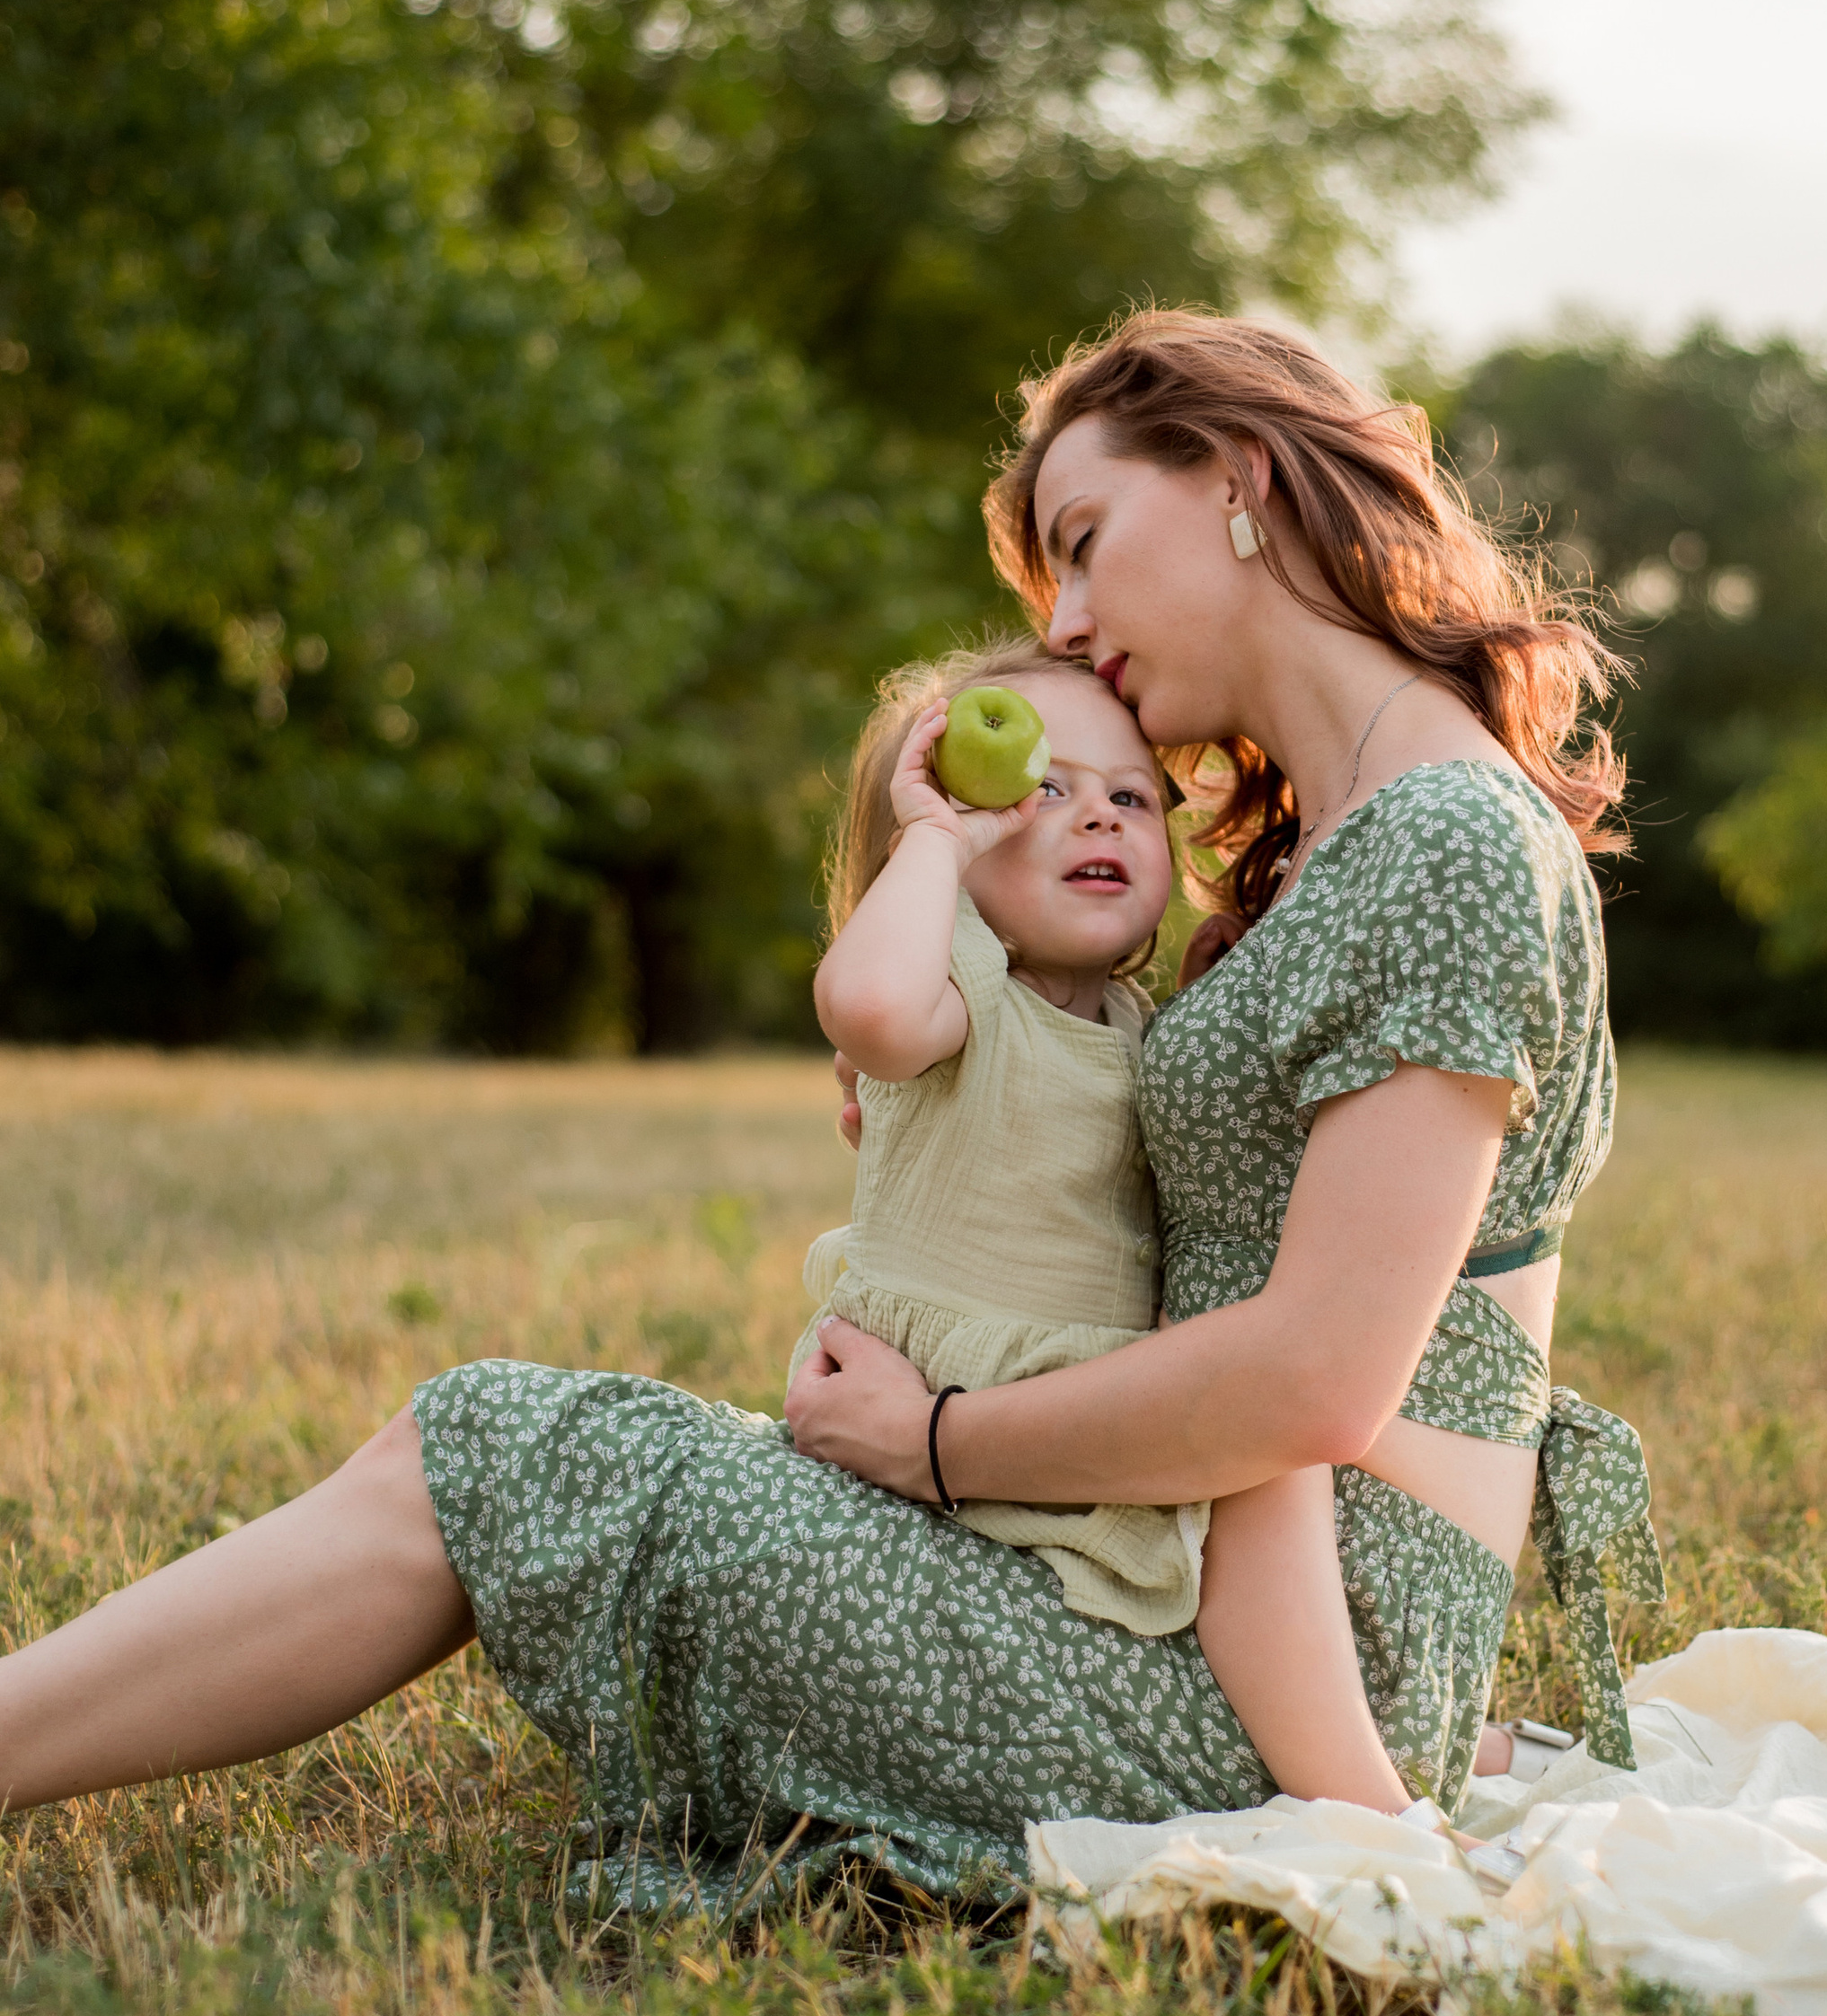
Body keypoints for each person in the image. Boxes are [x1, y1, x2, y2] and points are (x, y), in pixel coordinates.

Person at [0, 309, 1662, 1884]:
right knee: (542, 1444)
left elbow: (1312, 1383)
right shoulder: (1351, 838)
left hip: (1269, 1692)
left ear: (1238, 478)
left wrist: (935, 1445)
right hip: (1153, 1574)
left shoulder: (1443, 837)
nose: (1068, 624)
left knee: (503, 1446)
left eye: (1083, 536)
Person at [805, 627, 1414, 1809]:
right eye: (1040, 790)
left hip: (1054, 1411)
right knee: (1259, 1444)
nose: (1101, 818)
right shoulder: (961, 990)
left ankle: (1358, 1743)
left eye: (1134, 795)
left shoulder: (1135, 1027)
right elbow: (869, 1003)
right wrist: (936, 834)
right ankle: (1362, 1803)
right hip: (948, 1397)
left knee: (1259, 1431)